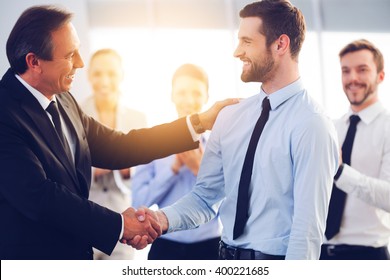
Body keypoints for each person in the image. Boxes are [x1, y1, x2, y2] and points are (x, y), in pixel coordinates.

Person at [0, 5, 236, 260]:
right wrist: (121, 225)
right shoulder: (5, 114)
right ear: (34, 62)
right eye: (70, 55)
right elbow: (42, 198)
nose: (80, 63)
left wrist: (200, 122)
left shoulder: (64, 99)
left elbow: (120, 146)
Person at [133, 0, 339, 260]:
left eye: (246, 41)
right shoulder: (230, 117)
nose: (236, 51)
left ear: (280, 44)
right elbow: (205, 198)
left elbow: (306, 233)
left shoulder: (313, 124)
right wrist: (160, 219)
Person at [132, 64, 222, 260]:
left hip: (211, 248)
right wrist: (173, 169)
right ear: (172, 95)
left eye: (196, 93)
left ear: (206, 97)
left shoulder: (222, 146)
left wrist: (199, 169)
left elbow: (233, 207)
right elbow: (139, 202)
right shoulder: (152, 144)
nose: (189, 100)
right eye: (181, 93)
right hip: (165, 247)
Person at [320, 39, 390, 260]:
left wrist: (341, 172)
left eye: (362, 70)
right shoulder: (331, 128)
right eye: (346, 71)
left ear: (380, 76)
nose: (352, 79)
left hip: (367, 256)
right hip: (320, 253)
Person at [81, 48, 148, 260]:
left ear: (121, 76)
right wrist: (99, 167)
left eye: (111, 74)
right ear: (89, 75)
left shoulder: (138, 119)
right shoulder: (74, 115)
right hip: (84, 215)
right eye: (98, 74)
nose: (104, 81)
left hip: (123, 218)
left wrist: (126, 168)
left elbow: (145, 172)